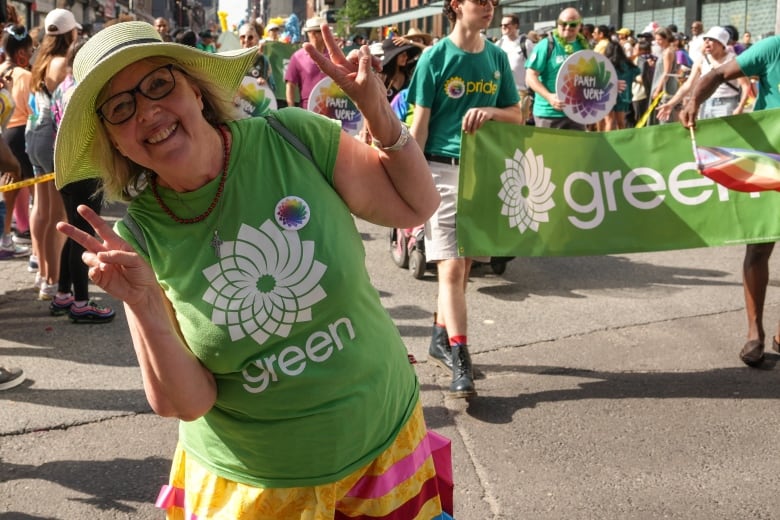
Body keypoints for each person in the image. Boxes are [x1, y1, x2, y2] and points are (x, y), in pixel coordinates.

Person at [54, 21, 447, 517]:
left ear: (195, 90)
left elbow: (417, 206)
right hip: (260, 487)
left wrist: (380, 115)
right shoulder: (137, 239)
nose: (148, 111)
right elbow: (187, 403)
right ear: (116, 143)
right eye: (120, 108)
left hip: (385, 447)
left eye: (158, 84)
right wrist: (144, 301)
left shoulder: (293, 136)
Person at [408, 0, 523, 398]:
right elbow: (418, 127)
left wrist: (490, 111)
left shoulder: (495, 56)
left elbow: (516, 114)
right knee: (453, 270)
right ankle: (461, 357)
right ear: (456, 6)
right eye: (480, 1)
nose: (489, 7)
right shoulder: (434, 58)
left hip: (482, 173)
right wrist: (408, 186)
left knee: (466, 265)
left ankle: (440, 337)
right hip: (439, 170)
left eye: (493, 1)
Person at [679, 35, 780, 367]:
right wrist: (694, 100)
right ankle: (755, 334)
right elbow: (717, 75)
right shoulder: (772, 48)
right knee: (759, 247)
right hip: (768, 162)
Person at [48, 38, 114, 323]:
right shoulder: (85, 92)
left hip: (63, 169)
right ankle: (81, 302)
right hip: (86, 171)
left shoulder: (61, 88)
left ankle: (63, 294)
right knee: (83, 237)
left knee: (73, 232)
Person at [27, 8, 77, 305]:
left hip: (33, 135)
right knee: (57, 216)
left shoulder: (40, 60)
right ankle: (53, 280)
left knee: (43, 210)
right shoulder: (61, 64)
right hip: (51, 139)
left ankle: (44, 275)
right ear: (71, 33)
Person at [657, 26, 750, 123]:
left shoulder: (733, 60)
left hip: (727, 103)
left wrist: (740, 106)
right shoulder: (701, 60)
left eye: (711, 39)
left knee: (725, 136)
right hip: (705, 103)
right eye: (705, 39)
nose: (706, 42)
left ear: (721, 43)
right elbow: (688, 85)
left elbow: (745, 85)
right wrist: (671, 103)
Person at [525, 7, 589, 130]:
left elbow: (590, 75)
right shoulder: (546, 45)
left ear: (579, 25)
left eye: (573, 24)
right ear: (557, 24)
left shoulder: (583, 46)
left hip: (577, 113)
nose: (567, 27)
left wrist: (609, 84)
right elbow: (530, 76)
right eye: (563, 23)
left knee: (576, 149)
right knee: (548, 149)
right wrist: (549, 96)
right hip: (549, 113)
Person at [0, 25, 33, 263]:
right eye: (30, 51)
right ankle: (15, 233)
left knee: (9, 188)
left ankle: (8, 235)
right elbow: (33, 110)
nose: (31, 55)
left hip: (5, 135)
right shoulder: (25, 75)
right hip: (20, 135)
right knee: (34, 191)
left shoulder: (2, 72)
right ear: (21, 53)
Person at [496, 14, 533, 122]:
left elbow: (533, 68)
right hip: (501, 91)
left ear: (516, 26)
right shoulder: (499, 44)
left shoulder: (526, 43)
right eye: (501, 25)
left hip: (520, 92)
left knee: (519, 124)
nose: (503, 27)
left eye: (507, 25)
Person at [284, 17, 328, 109]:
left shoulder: (333, 55)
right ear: (310, 33)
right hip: (308, 109)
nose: (317, 35)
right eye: (319, 31)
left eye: (323, 31)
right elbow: (290, 85)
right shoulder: (297, 57)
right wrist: (291, 109)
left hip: (333, 108)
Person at [603, 41, 640, 130]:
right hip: (623, 95)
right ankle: (621, 141)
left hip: (606, 95)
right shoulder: (627, 64)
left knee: (609, 121)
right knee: (621, 122)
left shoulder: (605, 63)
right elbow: (637, 71)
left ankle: (607, 142)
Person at [648, 27, 678, 125]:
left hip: (666, 88)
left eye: (660, 39)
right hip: (665, 85)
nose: (658, 42)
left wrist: (657, 90)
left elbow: (666, 73)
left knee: (664, 117)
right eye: (656, 39)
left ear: (667, 38)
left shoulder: (668, 52)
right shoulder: (667, 51)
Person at [377, 37, 419, 103]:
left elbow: (430, 52)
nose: (406, 57)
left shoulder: (408, 72)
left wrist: (410, 42)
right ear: (394, 57)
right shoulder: (381, 77)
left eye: (406, 54)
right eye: (403, 55)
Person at [238, 22, 275, 92]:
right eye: (242, 37)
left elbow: (273, 87)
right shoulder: (233, 59)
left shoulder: (263, 61)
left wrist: (265, 84)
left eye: (250, 37)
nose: (246, 40)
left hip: (256, 101)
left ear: (258, 39)